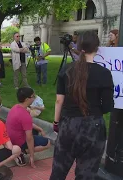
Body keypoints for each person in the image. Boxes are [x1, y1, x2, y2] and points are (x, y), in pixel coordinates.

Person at [50, 31, 114, 179]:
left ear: (78, 47)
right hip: (93, 127)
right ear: (97, 48)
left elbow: (59, 100)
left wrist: (56, 122)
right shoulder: (104, 73)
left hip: (68, 125)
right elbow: (107, 107)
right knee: (86, 173)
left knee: (58, 170)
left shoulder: (66, 69)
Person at [6, 87, 51, 168]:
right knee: (47, 143)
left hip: (11, 139)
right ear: (27, 99)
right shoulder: (25, 115)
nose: (34, 98)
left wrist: (40, 129)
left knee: (35, 131)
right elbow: (29, 138)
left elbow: (27, 124)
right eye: (33, 96)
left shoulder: (15, 107)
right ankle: (20, 152)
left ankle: (17, 150)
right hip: (18, 141)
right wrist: (32, 157)